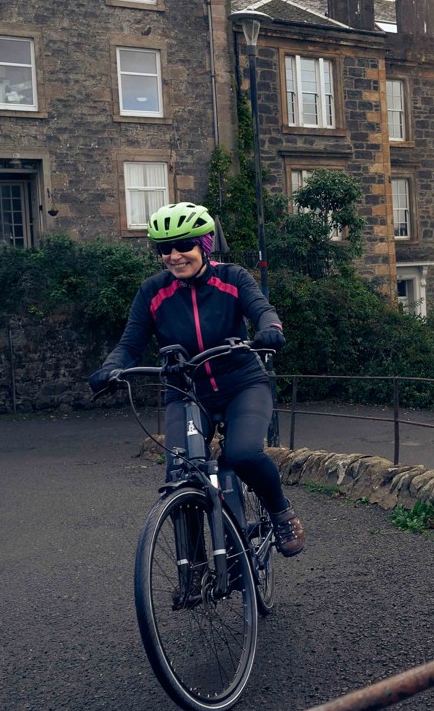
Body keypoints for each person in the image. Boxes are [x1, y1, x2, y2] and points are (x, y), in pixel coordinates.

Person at [88, 202, 304, 557]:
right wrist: (111, 368)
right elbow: (130, 343)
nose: (174, 255)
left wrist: (270, 329)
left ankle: (281, 513)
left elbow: (263, 310)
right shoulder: (152, 292)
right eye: (164, 248)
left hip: (242, 384)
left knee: (243, 452)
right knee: (178, 473)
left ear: (203, 245)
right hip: (185, 392)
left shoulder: (232, 278)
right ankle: (194, 567)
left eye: (183, 245)